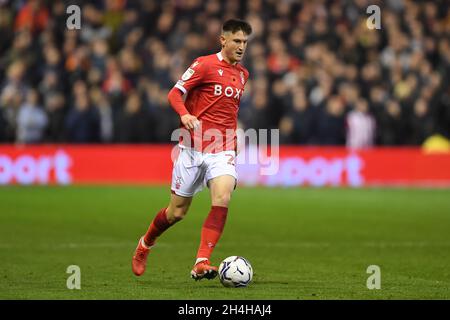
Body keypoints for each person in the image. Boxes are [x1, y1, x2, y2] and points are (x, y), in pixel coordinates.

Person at [131, 19, 252, 281]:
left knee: (223, 198)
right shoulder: (204, 64)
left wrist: (234, 136)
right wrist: (185, 115)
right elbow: (175, 94)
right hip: (192, 148)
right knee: (177, 212)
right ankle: (146, 243)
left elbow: (229, 110)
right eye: (237, 41)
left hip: (222, 149)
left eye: (245, 42)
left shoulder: (243, 74)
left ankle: (202, 260)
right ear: (223, 40)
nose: (242, 47)